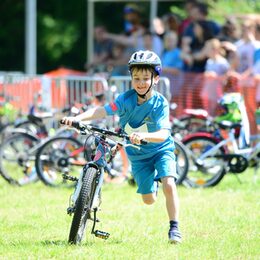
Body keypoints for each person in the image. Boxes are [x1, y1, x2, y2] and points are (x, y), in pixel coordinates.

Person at [61, 50, 182, 244]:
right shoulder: (125, 100)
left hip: (160, 150)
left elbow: (163, 134)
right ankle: (152, 184)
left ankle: (174, 228)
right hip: (138, 155)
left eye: (145, 78)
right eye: (136, 78)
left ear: (156, 79)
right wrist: (77, 118)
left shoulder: (160, 104)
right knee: (149, 200)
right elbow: (103, 111)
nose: (140, 82)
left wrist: (143, 136)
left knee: (169, 182)